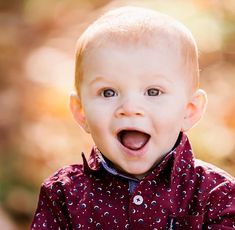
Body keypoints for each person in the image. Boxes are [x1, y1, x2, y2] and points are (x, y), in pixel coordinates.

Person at [31, 6, 235, 229]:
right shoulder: (64, 195)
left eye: (153, 92)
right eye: (108, 92)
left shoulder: (215, 195)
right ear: (81, 112)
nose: (129, 108)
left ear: (190, 109)